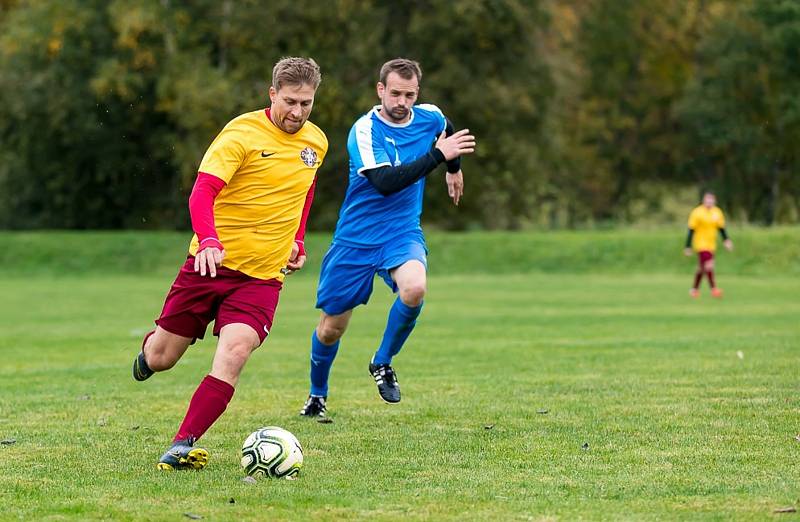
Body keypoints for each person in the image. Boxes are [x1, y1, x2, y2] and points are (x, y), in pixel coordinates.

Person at [131, 57, 328, 470]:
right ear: (272, 94)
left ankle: (182, 443)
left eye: (306, 103)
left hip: (262, 278)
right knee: (163, 358)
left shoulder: (316, 143)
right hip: (208, 266)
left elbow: (305, 191)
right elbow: (202, 192)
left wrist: (297, 239)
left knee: (235, 351)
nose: (297, 112)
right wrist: (209, 240)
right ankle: (149, 352)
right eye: (290, 101)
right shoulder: (241, 133)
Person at [299, 58, 475, 418]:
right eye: (395, 93)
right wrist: (438, 157)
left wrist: (453, 170)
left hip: (401, 232)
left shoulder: (430, 117)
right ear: (381, 90)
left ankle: (382, 362)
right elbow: (385, 183)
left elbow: (448, 130)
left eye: (409, 95)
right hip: (356, 238)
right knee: (332, 329)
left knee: (415, 288)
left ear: (417, 94)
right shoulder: (364, 131)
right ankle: (318, 393)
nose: (402, 102)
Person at [684, 191, 733, 298]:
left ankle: (694, 290)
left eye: (711, 199)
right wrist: (688, 246)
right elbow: (691, 230)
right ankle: (714, 289)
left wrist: (726, 240)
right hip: (700, 243)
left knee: (702, 268)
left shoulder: (717, 212)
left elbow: (721, 229)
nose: (709, 201)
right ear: (703, 200)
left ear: (714, 201)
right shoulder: (697, 212)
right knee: (709, 265)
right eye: (707, 199)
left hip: (711, 244)